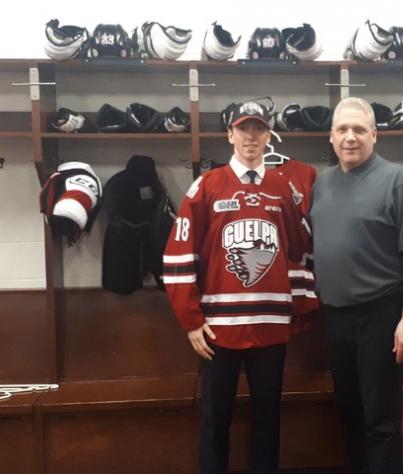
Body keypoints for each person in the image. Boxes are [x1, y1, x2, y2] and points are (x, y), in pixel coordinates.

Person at [163, 98, 310, 474]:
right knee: (215, 420)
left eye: (259, 128)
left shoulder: (283, 188)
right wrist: (191, 320)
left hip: (270, 328)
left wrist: (298, 310)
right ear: (230, 134)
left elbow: (299, 252)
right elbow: (178, 256)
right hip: (218, 330)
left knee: (268, 420)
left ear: (269, 135)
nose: (251, 136)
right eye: (243, 128)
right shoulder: (206, 187)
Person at [310, 97, 403, 474]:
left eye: (359, 130)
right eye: (343, 130)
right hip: (334, 315)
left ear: (374, 136)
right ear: (331, 137)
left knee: (380, 418)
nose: (350, 137)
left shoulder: (398, 180)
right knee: (349, 411)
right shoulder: (322, 182)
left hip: (381, 313)